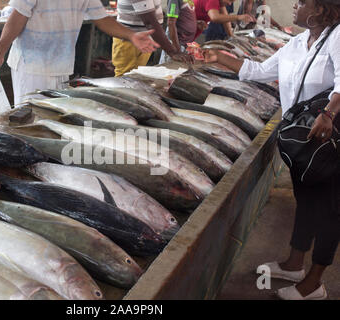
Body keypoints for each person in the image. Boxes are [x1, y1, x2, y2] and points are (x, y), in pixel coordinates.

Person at [203, 0, 340, 300]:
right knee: (305, 200)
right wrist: (219, 57)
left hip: (330, 141)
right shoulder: (297, 43)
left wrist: (329, 112)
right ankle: (294, 264)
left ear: (322, 9)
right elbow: (260, 70)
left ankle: (315, 283)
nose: (295, 6)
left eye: (303, 2)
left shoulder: (338, 37)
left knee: (329, 208)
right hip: (302, 140)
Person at [0, 0, 160, 105]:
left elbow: (102, 19)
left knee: (52, 116)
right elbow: (16, 19)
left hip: (61, 66)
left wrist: (131, 35)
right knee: (28, 118)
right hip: (32, 66)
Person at [112, 0, 194, 77]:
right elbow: (149, 22)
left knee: (135, 75)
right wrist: (173, 52)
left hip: (144, 39)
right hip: (130, 41)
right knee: (125, 77)